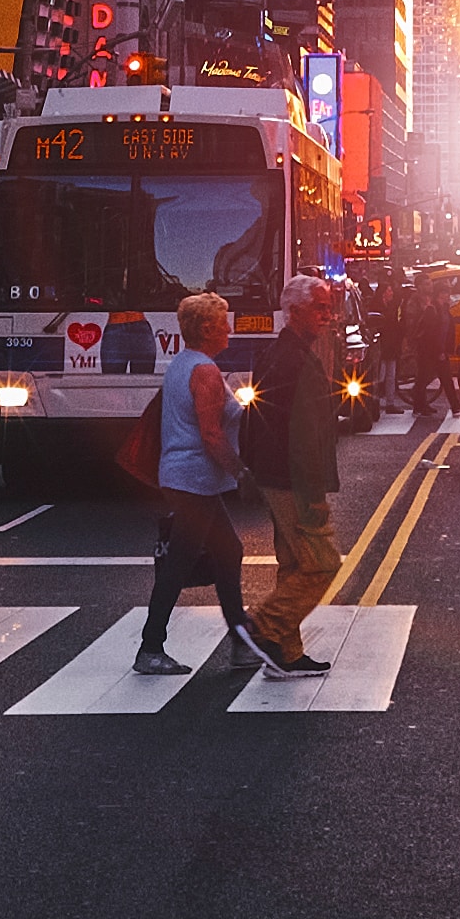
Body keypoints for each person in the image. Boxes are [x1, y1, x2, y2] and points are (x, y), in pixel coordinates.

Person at [133, 289, 284, 676]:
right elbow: (211, 434)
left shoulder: (182, 363)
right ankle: (152, 648)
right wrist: (241, 472)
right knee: (181, 564)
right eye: (223, 322)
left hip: (187, 479)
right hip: (193, 480)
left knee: (228, 551)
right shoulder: (204, 372)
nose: (229, 328)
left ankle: (239, 642)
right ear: (206, 328)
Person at [243, 274, 352, 662]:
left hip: (274, 475)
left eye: (329, 306)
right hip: (293, 480)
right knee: (322, 564)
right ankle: (262, 626)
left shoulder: (278, 352)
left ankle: (286, 653)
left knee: (292, 564)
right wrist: (314, 494)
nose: (328, 314)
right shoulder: (297, 360)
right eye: (319, 307)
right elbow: (304, 435)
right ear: (294, 312)